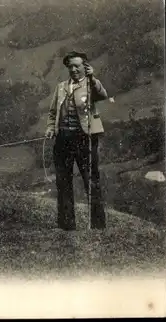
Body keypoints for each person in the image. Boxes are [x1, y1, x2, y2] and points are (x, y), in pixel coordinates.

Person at [45, 51, 109, 231]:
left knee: (91, 181)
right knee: (63, 181)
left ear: (85, 67)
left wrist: (92, 77)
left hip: (85, 140)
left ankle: (98, 226)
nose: (73, 69)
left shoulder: (91, 85)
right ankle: (66, 225)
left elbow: (102, 95)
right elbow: (52, 113)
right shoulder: (61, 87)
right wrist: (51, 128)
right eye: (70, 66)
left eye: (77, 66)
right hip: (62, 140)